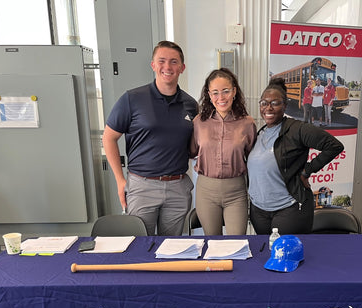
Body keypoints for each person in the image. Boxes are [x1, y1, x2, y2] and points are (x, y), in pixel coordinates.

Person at [102, 40, 198, 236]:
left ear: (182, 67)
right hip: (142, 186)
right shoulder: (132, 99)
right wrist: (120, 180)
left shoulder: (191, 104)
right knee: (139, 245)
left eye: (174, 62)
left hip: (178, 187)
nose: (167, 67)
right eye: (161, 61)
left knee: (171, 248)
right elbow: (108, 138)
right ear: (153, 65)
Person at [247, 78, 344, 235]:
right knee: (265, 256)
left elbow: (334, 146)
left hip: (289, 209)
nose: (268, 108)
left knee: (287, 256)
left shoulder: (297, 129)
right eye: (264, 103)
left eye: (275, 103)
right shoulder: (260, 133)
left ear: (285, 105)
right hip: (259, 212)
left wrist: (307, 170)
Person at [189, 68, 257, 235]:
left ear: (234, 91)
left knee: (237, 244)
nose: (221, 98)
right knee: (212, 243)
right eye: (215, 93)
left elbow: (254, 159)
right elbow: (191, 152)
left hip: (236, 191)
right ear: (209, 95)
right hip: (206, 191)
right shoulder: (199, 122)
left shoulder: (247, 123)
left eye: (226, 91)